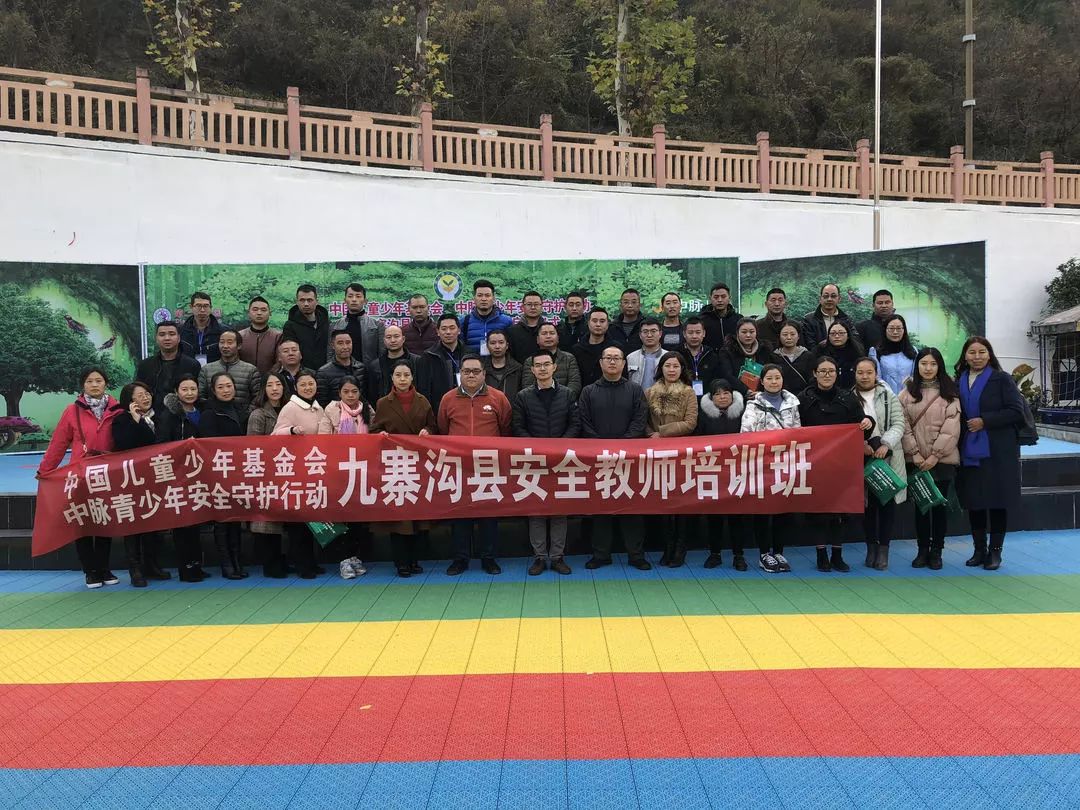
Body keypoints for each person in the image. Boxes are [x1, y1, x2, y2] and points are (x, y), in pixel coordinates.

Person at [38, 367, 123, 589]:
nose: (94, 385)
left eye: (98, 380)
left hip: (107, 473)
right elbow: (58, 444)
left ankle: (104, 568)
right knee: (82, 521)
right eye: (89, 381)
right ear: (82, 385)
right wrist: (45, 470)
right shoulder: (72, 411)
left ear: (106, 383)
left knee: (104, 521)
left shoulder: (117, 410)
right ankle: (90, 571)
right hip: (80, 474)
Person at [954, 336, 1026, 571]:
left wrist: (985, 421)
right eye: (972, 352)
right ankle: (979, 550)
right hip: (969, 448)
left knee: (996, 500)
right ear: (965, 356)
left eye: (982, 352)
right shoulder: (959, 380)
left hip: (997, 449)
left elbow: (1016, 411)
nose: (977, 357)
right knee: (974, 500)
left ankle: (995, 552)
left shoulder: (1001, 379)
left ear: (989, 354)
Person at [578, 346, 651, 571]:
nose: (612, 362)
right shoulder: (588, 391)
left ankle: (636, 555)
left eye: (616, 358)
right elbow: (584, 421)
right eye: (608, 358)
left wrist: (623, 445)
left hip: (628, 458)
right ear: (600, 363)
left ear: (623, 364)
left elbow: (640, 420)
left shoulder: (635, 390)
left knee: (632, 508)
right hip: (599, 459)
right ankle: (601, 554)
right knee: (601, 509)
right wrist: (602, 447)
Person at [439, 354, 513, 576]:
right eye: (466, 371)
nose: (471, 375)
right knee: (459, 514)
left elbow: (506, 429)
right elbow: (443, 429)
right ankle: (460, 559)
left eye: (476, 371)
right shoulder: (448, 399)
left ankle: (488, 558)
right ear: (460, 374)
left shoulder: (498, 398)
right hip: (459, 467)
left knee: (488, 515)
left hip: (488, 466)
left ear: (484, 374)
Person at [512, 350, 580, 575]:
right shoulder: (523, 396)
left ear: (554, 367)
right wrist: (537, 449)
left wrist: (560, 447)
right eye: (538, 365)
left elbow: (575, 424)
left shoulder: (568, 394)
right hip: (534, 461)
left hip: (562, 460)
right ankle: (539, 557)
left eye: (546, 364)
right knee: (537, 510)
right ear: (532, 370)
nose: (542, 368)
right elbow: (518, 427)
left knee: (559, 511)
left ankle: (558, 557)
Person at [798, 355, 866, 573]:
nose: (827, 375)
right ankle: (821, 555)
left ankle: (837, 555)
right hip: (814, 464)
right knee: (818, 513)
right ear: (815, 374)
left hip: (842, 465)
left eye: (831, 371)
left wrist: (869, 422)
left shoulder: (848, 398)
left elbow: (861, 426)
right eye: (822, 371)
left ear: (837, 374)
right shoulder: (803, 399)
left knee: (840, 512)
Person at [371, 360, 437, 577]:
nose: (402, 379)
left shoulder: (423, 401)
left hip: (418, 464)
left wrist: (427, 431)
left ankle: (415, 559)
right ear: (392, 378)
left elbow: (433, 426)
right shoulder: (383, 403)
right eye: (398, 375)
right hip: (395, 465)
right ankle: (401, 562)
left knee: (417, 515)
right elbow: (374, 429)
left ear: (412, 377)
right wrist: (379, 435)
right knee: (399, 517)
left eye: (406, 375)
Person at [900, 347, 961, 571]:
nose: (928, 368)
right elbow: (903, 425)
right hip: (916, 460)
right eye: (924, 363)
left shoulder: (950, 392)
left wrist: (935, 455)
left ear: (939, 366)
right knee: (921, 507)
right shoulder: (907, 393)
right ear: (917, 365)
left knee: (939, 507)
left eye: (933, 364)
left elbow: (951, 428)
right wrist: (914, 453)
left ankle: (937, 551)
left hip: (942, 461)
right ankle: (922, 549)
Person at [740, 364, 802, 573]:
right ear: (762, 381)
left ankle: (778, 551)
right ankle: (764, 553)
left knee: (782, 510)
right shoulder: (753, 405)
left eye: (777, 377)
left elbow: (798, 432)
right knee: (763, 511)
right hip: (762, 465)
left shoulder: (793, 402)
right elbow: (746, 434)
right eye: (769, 378)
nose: (774, 382)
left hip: (786, 464)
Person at [111, 381, 170, 587]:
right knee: (134, 525)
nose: (146, 398)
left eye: (147, 393)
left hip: (154, 478)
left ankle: (151, 565)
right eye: (140, 395)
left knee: (153, 523)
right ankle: (135, 568)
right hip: (132, 480)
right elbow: (124, 444)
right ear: (130, 401)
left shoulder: (159, 417)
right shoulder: (121, 420)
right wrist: (136, 421)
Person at [645, 351, 699, 567]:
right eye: (667, 366)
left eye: (676, 366)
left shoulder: (688, 392)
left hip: (681, 453)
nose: (671, 370)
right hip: (656, 453)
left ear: (682, 369)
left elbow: (690, 423)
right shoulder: (649, 392)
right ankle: (667, 546)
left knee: (681, 501)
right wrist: (651, 434)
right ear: (661, 369)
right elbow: (643, 420)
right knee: (663, 501)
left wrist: (662, 432)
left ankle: (680, 547)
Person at [853, 357, 907, 571]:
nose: (864, 376)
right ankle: (871, 548)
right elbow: (848, 427)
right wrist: (862, 445)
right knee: (867, 507)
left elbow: (899, 423)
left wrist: (886, 444)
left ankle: (884, 550)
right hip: (863, 457)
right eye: (860, 372)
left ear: (876, 374)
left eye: (869, 372)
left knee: (886, 505)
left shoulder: (888, 395)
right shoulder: (849, 397)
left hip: (887, 457)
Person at [317, 375, 373, 580]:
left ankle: (355, 557)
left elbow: (375, 436)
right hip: (338, 472)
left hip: (362, 472)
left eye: (354, 391)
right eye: (346, 392)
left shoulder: (368, 410)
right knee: (342, 518)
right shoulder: (331, 410)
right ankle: (343, 559)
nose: (350, 395)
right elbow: (322, 440)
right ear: (339, 393)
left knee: (358, 519)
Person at [272, 371, 326, 579]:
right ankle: (302, 564)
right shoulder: (290, 408)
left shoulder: (319, 408)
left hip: (314, 470)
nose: (307, 388)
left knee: (312, 521)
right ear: (296, 387)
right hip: (295, 471)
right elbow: (274, 436)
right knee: (298, 523)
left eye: (311, 384)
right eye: (303, 384)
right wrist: (291, 431)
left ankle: (311, 561)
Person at [155, 374, 209, 582]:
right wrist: (184, 446)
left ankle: (196, 564)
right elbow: (162, 444)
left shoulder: (203, 411)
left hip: (199, 474)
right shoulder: (169, 415)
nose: (189, 393)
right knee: (182, 523)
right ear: (176, 392)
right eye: (184, 389)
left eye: (193, 389)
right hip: (178, 475)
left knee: (196, 522)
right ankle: (185, 568)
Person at [199, 372, 247, 580]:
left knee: (236, 519)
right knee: (222, 520)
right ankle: (226, 564)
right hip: (219, 472)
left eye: (229, 386)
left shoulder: (240, 409)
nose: (226, 390)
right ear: (213, 390)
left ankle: (237, 561)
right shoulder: (209, 413)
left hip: (239, 471)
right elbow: (208, 445)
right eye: (220, 387)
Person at [695, 379, 748, 570]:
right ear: (711, 398)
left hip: (737, 472)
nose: (722, 397)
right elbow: (696, 443)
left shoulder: (744, 413)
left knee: (737, 517)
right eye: (717, 394)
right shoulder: (704, 416)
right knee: (714, 517)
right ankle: (715, 554)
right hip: (712, 472)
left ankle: (738, 555)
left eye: (726, 393)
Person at [247, 372, 289, 578]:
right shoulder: (258, 414)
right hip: (266, 472)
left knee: (283, 521)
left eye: (278, 384)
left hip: (288, 471)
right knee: (267, 521)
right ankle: (270, 564)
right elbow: (253, 447)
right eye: (270, 385)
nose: (274, 388)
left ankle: (281, 560)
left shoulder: (290, 410)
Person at [197, 329, 261, 426]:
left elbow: (258, 398)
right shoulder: (206, 369)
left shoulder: (251, 370)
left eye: (230, 342)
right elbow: (200, 396)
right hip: (214, 421)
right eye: (222, 342)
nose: (225, 346)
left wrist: (245, 415)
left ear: (239, 346)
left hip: (243, 422)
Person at [136, 320, 202, 411]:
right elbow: (138, 391)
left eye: (172, 334)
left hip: (183, 414)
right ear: (156, 338)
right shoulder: (145, 365)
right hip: (152, 414)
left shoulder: (192, 365)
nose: (167, 338)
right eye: (162, 334)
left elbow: (198, 395)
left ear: (179, 338)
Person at [328, 282, 385, 365]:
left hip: (369, 371)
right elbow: (330, 354)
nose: (354, 299)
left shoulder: (377, 326)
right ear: (345, 300)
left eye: (358, 296)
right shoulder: (335, 326)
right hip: (341, 371)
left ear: (365, 301)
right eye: (350, 296)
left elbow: (382, 354)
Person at [521, 322, 582, 399]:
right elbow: (527, 385)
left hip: (564, 400)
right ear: (537, 339)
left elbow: (575, 383)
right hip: (537, 402)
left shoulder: (569, 358)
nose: (548, 336)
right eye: (544, 333)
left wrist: (562, 398)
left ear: (558, 338)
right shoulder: (530, 361)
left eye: (552, 333)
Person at [417, 312, 465, 407]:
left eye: (452, 328)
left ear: (459, 330)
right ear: (438, 332)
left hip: (465, 404)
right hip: (440, 406)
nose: (448, 332)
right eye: (444, 329)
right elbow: (424, 388)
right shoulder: (429, 356)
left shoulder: (469, 353)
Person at [281, 284, 330, 370]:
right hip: (302, 373)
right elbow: (291, 352)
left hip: (326, 371)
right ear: (297, 302)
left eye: (310, 300)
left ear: (317, 301)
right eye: (302, 300)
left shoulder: (327, 323)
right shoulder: (290, 326)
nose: (306, 304)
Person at [365, 324, 419, 403]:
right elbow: (372, 394)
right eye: (388, 337)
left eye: (396, 336)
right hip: (384, 408)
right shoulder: (375, 366)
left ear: (403, 339)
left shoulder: (416, 361)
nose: (393, 340)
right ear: (384, 341)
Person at [723, 317, 774, 397]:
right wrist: (746, 390)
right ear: (737, 332)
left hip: (761, 394)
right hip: (736, 395)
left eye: (752, 332)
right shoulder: (727, 351)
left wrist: (761, 392)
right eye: (744, 332)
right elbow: (728, 375)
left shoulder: (764, 350)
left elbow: (769, 373)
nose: (748, 335)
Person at [316, 330, 367, 407]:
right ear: (333, 345)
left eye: (348, 342)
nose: (345, 347)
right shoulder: (323, 373)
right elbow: (322, 403)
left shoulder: (361, 368)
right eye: (340, 343)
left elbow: (365, 397)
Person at [461, 278, 513, 353]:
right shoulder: (465, 322)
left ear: (494, 298)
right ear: (474, 298)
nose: (484, 299)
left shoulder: (507, 321)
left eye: (487, 295)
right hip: (473, 360)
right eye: (480, 295)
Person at [869, 314, 917, 395]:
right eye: (891, 328)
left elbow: (915, 376)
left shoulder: (913, 351)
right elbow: (877, 378)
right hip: (885, 397)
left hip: (908, 397)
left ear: (904, 330)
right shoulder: (875, 352)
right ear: (885, 330)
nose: (895, 332)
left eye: (898, 328)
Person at [679, 316, 727, 397]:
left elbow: (717, 380)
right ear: (684, 334)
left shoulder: (712, 355)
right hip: (683, 397)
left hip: (708, 398)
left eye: (698, 332)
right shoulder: (677, 355)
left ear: (704, 333)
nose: (694, 336)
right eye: (690, 333)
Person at [572, 307, 618, 388]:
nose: (598, 324)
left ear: (608, 324)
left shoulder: (616, 349)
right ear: (588, 323)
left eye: (602, 321)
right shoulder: (577, 349)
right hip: (583, 393)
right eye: (594, 321)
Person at [179, 291, 228, 366]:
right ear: (191, 307)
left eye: (206, 306)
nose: (202, 310)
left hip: (214, 370)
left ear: (210, 308)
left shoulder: (223, 331)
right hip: (188, 370)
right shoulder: (181, 330)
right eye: (198, 306)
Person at [801, 283, 855, 348]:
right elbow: (809, 344)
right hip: (818, 353)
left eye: (833, 296)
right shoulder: (809, 320)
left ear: (839, 299)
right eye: (826, 296)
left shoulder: (846, 318)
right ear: (820, 299)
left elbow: (854, 339)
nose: (829, 299)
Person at [813, 321, 864, 389]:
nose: (837, 336)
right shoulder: (819, 351)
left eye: (841, 333)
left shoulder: (857, 351)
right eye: (833, 333)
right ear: (828, 336)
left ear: (848, 335)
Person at [238, 295, 282, 373]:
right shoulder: (240, 336)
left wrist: (269, 377)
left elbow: (279, 362)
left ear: (270, 313)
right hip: (244, 378)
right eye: (255, 310)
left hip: (271, 378)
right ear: (248, 313)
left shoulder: (278, 336)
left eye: (263, 310)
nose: (259, 313)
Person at [773, 322, 813, 395]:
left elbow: (812, 380)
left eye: (792, 334)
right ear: (779, 336)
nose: (789, 337)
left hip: (804, 397)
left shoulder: (808, 356)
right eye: (785, 334)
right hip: (779, 396)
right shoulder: (773, 357)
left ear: (798, 336)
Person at [699, 282, 741, 349]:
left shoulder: (738, 319)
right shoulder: (701, 320)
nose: (720, 300)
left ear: (729, 298)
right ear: (710, 298)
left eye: (723, 297)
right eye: (716, 297)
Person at [627, 318, 665, 391]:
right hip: (636, 397)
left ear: (660, 334)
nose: (649, 335)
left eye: (653, 331)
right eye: (645, 332)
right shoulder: (630, 357)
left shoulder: (668, 357)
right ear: (640, 335)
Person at [507, 291, 546, 362]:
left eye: (536, 304)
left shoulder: (548, 330)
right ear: (522, 307)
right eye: (529, 304)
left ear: (542, 307)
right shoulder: (512, 331)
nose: (533, 307)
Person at [482, 329, 524, 394]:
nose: (497, 347)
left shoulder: (517, 369)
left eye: (501, 342)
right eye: (493, 343)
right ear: (487, 346)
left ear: (507, 346)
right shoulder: (481, 368)